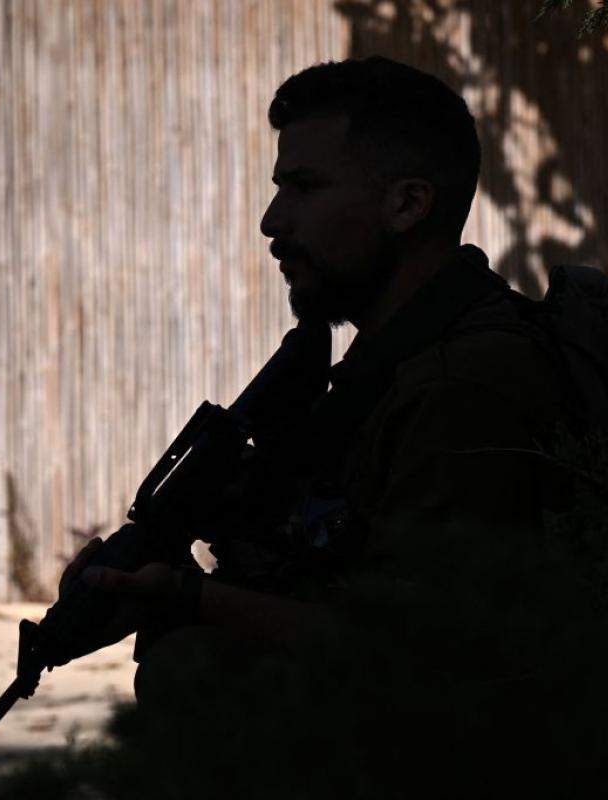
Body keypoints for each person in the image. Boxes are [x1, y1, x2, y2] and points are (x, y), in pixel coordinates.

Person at [65, 56, 572, 695]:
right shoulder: (386, 364)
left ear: (407, 204)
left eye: (305, 188)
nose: (273, 222)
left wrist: (193, 599)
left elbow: (422, 654)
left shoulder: (461, 383)